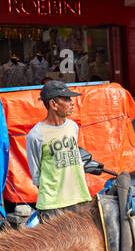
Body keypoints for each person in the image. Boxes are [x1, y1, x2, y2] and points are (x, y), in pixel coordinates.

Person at [25, 80, 93, 223]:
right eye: (66, 99)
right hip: (52, 205)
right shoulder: (36, 135)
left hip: (79, 198)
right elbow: (36, 173)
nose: (71, 102)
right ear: (53, 104)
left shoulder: (72, 127)